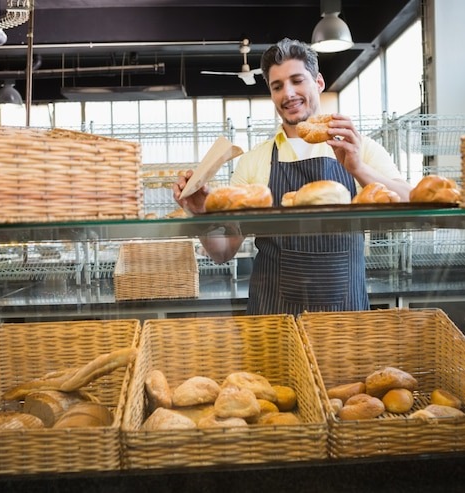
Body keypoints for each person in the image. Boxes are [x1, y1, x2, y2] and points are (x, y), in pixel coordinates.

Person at [173, 37, 412, 315]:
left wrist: (358, 168)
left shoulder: (359, 147)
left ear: (319, 82)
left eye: (297, 80)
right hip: (273, 319)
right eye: (277, 86)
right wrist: (202, 215)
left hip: (344, 318)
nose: (288, 94)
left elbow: (409, 203)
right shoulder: (254, 161)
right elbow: (222, 252)